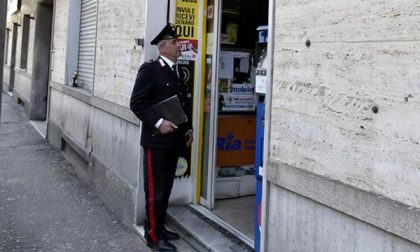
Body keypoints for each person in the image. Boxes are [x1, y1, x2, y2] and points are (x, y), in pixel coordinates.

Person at [130, 23, 193, 252]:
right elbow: (136, 103)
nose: (179, 46)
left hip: (174, 141)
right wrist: (158, 122)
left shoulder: (176, 70)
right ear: (163, 48)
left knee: (165, 188)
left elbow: (182, 103)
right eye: (175, 43)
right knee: (155, 190)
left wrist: (189, 129)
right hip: (156, 141)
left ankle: (161, 227)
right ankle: (153, 236)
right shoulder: (150, 70)